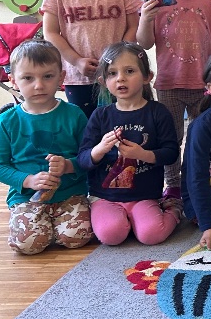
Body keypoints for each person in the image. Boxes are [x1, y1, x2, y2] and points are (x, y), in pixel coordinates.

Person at [136, 0, 211, 198]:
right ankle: (173, 185)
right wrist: (145, 19)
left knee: (202, 138)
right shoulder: (155, 3)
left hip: (204, 84)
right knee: (171, 138)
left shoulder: (208, 1)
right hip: (169, 84)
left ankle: (195, 181)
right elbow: (144, 43)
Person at [77, 43, 181, 245]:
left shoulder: (158, 112)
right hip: (105, 197)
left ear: (147, 77)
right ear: (103, 81)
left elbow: (171, 153)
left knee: (151, 235)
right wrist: (99, 149)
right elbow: (82, 159)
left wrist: (143, 155)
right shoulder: (100, 115)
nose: (120, 78)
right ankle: (127, 221)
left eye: (129, 71)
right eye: (112, 73)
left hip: (145, 195)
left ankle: (174, 209)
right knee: (111, 235)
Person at [0, 41, 91, 254]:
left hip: (70, 193)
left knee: (76, 238)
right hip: (26, 196)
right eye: (28, 78)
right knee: (28, 245)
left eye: (47, 76)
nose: (39, 85)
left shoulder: (74, 115)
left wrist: (68, 165)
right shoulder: (7, 120)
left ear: (61, 78)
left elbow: (89, 157)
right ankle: (39, 223)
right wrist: (27, 180)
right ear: (13, 80)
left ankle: (52, 224)